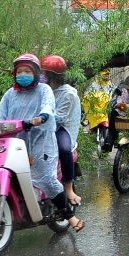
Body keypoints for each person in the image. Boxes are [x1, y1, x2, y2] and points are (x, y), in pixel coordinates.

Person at [0, 53, 84, 232]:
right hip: (16, 140)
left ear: (36, 73)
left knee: (46, 178)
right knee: (3, 172)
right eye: (19, 71)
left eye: (27, 71)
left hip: (41, 138)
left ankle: (70, 216)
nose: (22, 74)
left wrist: (42, 117)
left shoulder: (44, 91)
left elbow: (48, 106)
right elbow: (0, 116)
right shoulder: (9, 94)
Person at [42, 54, 83, 207]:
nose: (41, 77)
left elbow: (59, 118)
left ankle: (68, 187)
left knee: (64, 148)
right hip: (41, 128)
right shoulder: (43, 90)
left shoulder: (68, 94)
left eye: (44, 74)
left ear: (52, 76)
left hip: (61, 129)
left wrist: (40, 118)